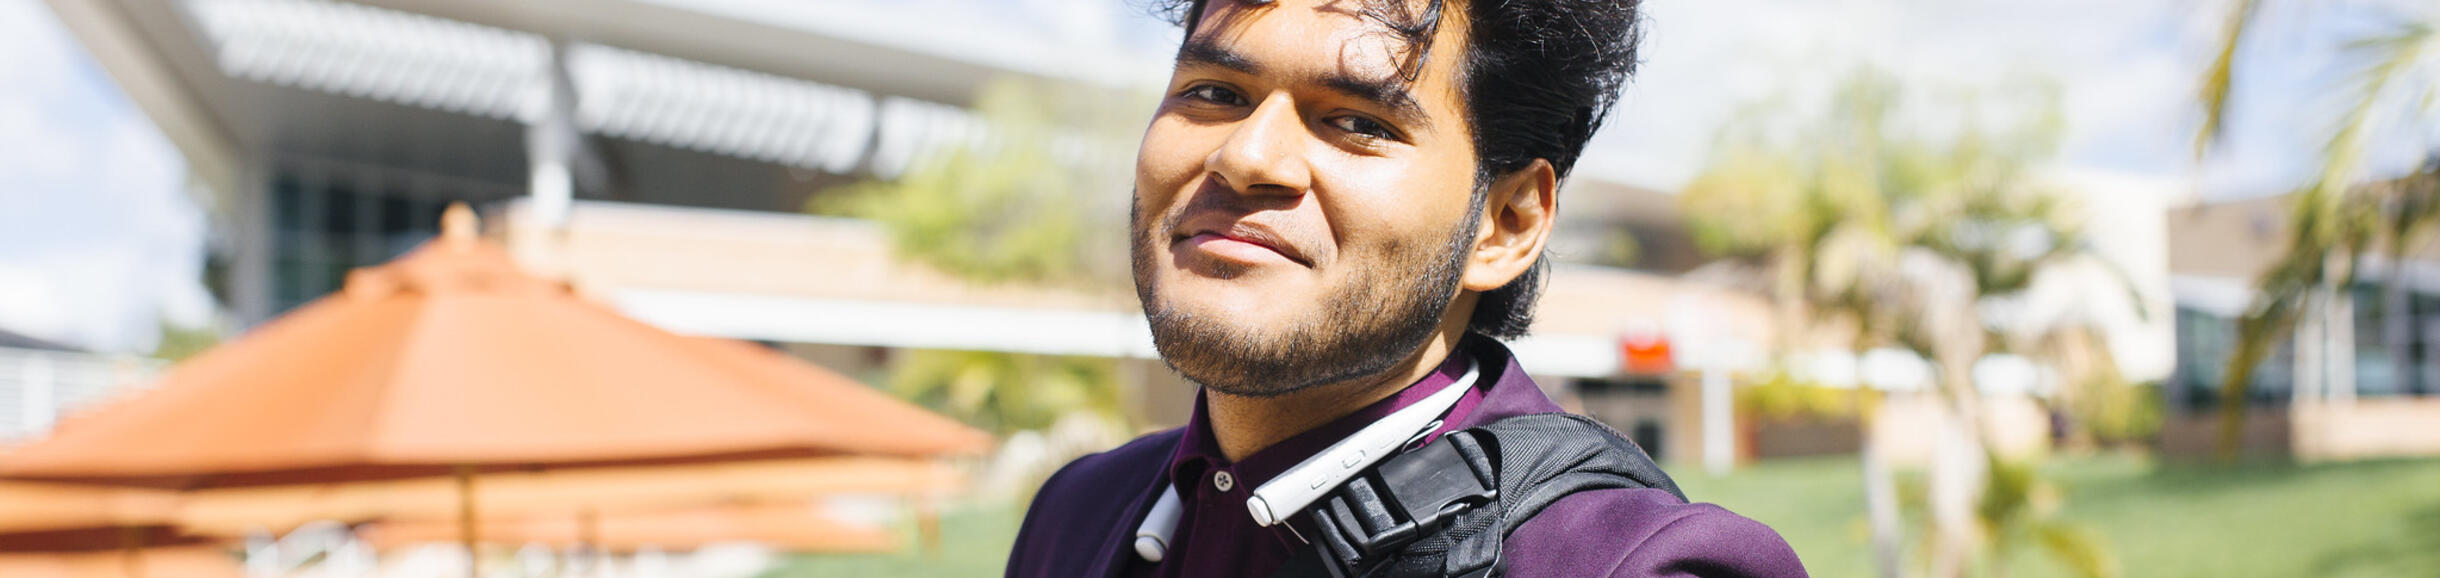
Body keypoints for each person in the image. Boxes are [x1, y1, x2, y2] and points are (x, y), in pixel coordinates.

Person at [1008, 0, 1807, 575]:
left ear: (1506, 223)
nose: (1246, 158)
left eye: (1358, 122)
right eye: (1215, 93)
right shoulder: (1077, 514)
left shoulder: (1627, 563)